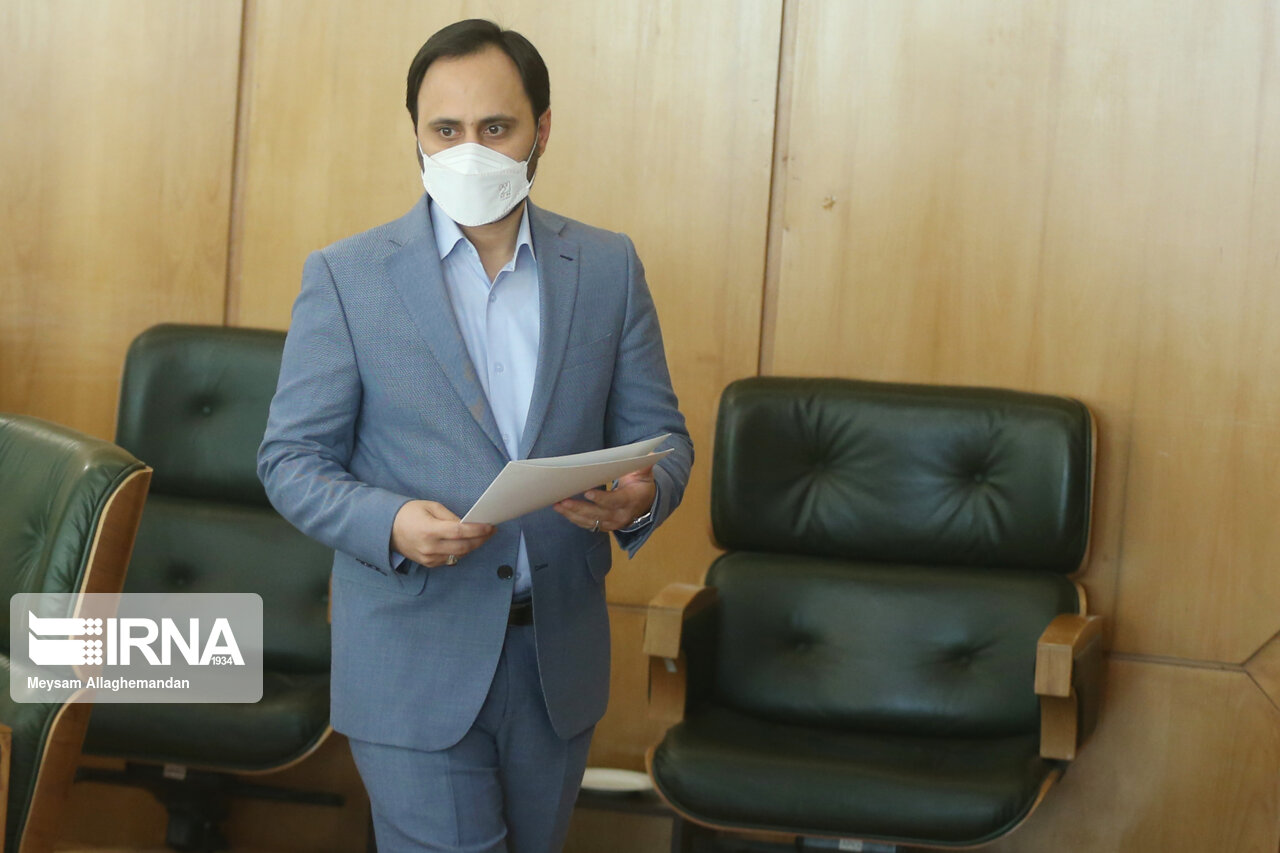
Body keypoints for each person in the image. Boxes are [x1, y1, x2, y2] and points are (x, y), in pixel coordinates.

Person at [256, 18, 693, 853]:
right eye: (445, 129)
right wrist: (390, 521)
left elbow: (662, 437)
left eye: (495, 128)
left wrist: (640, 497)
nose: (470, 151)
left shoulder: (607, 267)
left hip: (555, 660)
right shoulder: (347, 277)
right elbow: (290, 460)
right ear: (416, 135)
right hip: (411, 657)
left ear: (541, 130)